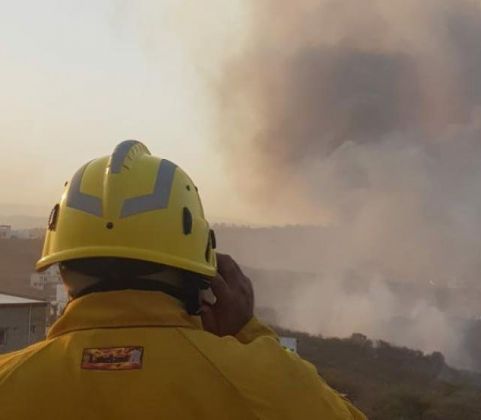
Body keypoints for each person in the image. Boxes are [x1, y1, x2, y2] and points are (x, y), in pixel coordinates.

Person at [0, 140, 367, 420]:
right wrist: (247, 333)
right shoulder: (267, 386)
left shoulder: (9, 382)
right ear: (200, 270)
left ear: (62, 266)